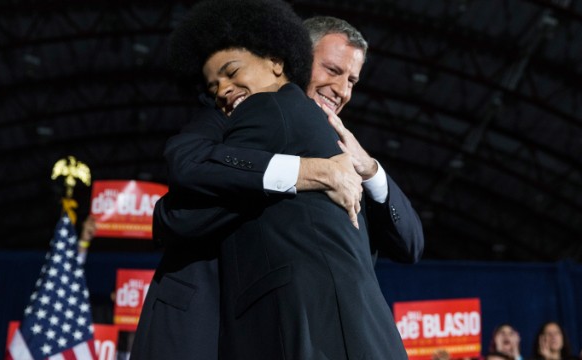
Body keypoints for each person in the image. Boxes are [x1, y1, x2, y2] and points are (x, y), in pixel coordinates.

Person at [131, 3, 423, 360]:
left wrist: (372, 170)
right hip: (285, 327)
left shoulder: (341, 149)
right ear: (291, 56)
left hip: (324, 327)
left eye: (351, 80)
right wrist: (306, 173)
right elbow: (185, 167)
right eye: (332, 70)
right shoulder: (242, 114)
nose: (341, 89)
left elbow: (410, 244)